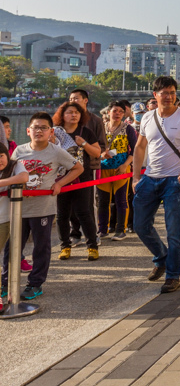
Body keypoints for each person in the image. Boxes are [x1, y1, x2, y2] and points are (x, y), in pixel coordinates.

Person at [131, 76, 180, 294]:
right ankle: (161, 258)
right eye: (164, 92)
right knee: (140, 226)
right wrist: (136, 178)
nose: (169, 96)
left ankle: (173, 276)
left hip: (175, 180)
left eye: (172, 92)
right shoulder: (147, 117)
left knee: (174, 231)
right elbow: (139, 147)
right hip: (150, 179)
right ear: (155, 95)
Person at [5, 113, 83, 300]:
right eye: (35, 127)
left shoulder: (56, 151)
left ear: (51, 131)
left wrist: (59, 183)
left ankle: (35, 283)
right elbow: (10, 172)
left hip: (43, 209)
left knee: (41, 247)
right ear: (28, 131)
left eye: (43, 128)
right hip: (18, 208)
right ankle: (5, 283)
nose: (39, 131)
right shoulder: (19, 151)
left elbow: (78, 168)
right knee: (12, 247)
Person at [52, 102, 102, 261]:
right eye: (69, 112)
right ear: (62, 115)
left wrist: (84, 144)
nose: (73, 115)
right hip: (60, 178)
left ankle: (92, 246)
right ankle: (65, 246)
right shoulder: (55, 133)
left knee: (84, 212)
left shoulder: (85, 132)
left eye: (76, 113)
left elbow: (97, 153)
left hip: (82, 177)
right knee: (62, 214)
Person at [98, 101, 136, 241]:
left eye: (121, 111)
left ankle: (121, 230)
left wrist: (125, 165)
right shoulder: (101, 128)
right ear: (109, 112)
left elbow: (134, 150)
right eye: (115, 111)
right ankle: (102, 230)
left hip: (121, 169)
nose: (118, 114)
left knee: (121, 201)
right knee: (103, 201)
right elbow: (95, 147)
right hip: (103, 169)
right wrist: (101, 154)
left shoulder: (128, 129)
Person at [0, 144, 29, 312]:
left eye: (1, 156)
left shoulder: (15, 164)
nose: (0, 161)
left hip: (6, 218)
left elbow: (24, 177)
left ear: (7, 155)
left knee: (11, 256)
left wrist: (2, 182)